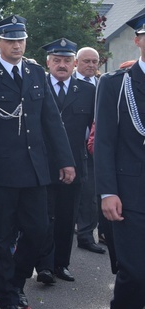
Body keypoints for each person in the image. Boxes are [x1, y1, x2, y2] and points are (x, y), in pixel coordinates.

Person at [0, 15, 75, 309]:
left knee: (38, 230)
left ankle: (17, 280)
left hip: (36, 169)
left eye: (21, 39)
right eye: (10, 40)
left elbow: (52, 120)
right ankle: (6, 295)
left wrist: (65, 160)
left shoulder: (36, 74)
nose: (17, 45)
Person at [31, 38, 95, 285]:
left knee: (67, 218)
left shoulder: (88, 91)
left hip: (75, 165)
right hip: (42, 165)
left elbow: (96, 128)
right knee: (43, 217)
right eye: (56, 60)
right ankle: (44, 266)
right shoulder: (36, 88)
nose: (62, 65)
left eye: (67, 61)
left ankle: (61, 264)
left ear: (74, 64)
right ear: (48, 62)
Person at [95, 14, 145, 308]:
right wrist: (108, 191)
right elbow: (104, 143)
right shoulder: (117, 84)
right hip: (130, 196)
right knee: (135, 273)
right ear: (137, 40)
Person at [73, 46, 106, 254]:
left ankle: (87, 234)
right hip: (74, 147)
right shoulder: (69, 84)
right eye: (87, 61)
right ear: (76, 62)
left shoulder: (103, 84)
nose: (91, 66)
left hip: (95, 149)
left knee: (93, 194)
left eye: (95, 62)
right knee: (79, 193)